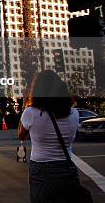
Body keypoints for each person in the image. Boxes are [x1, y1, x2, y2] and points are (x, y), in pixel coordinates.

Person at [18, 70, 80, 203]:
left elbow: (21, 135)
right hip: (66, 167)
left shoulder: (31, 113)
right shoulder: (74, 114)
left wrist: (26, 108)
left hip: (41, 169)